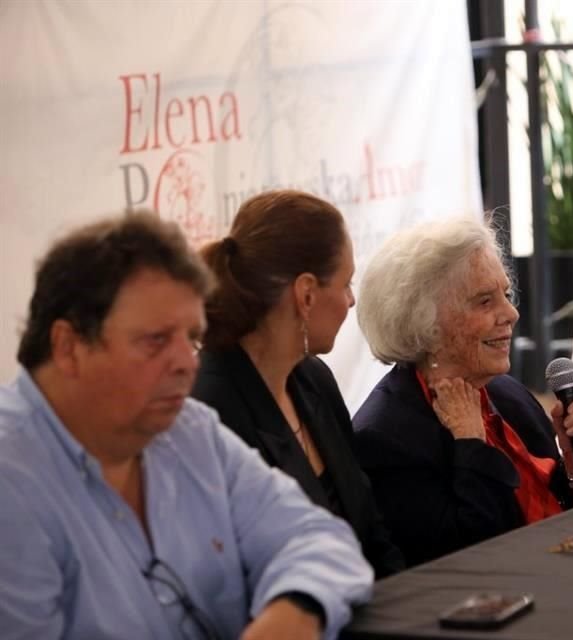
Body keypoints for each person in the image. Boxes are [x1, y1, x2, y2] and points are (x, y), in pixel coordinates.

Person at [0, 211, 372, 639]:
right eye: (156, 340)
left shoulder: (187, 431)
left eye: (191, 337)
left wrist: (295, 611)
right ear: (68, 346)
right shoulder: (13, 478)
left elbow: (317, 535)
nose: (184, 363)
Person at [351, 216, 573, 567]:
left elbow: (559, 513)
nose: (511, 313)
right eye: (484, 302)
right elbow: (465, 562)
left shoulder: (506, 394)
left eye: (505, 294)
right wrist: (471, 446)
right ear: (424, 321)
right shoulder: (385, 438)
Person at [191, 190, 405, 578]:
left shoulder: (313, 379)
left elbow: (373, 534)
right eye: (345, 284)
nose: (351, 301)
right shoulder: (209, 408)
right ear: (306, 294)